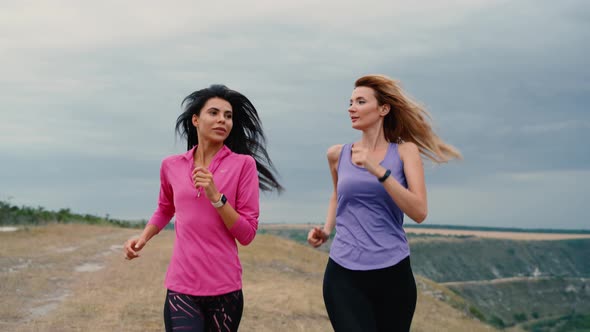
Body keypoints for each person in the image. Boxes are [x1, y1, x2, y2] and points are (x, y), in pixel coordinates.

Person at [307, 74, 461, 332]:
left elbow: (419, 211)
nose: (351, 108)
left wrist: (377, 170)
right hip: (344, 273)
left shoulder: (404, 152)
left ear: (383, 109)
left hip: (393, 273)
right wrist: (326, 229)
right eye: (350, 102)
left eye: (360, 101)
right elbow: (338, 195)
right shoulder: (337, 154)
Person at [124, 84, 282, 332]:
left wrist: (216, 197)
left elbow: (247, 234)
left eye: (228, 116)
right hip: (182, 287)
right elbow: (165, 208)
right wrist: (143, 237)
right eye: (214, 113)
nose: (223, 120)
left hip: (225, 290)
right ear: (196, 119)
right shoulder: (171, 166)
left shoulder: (244, 165)